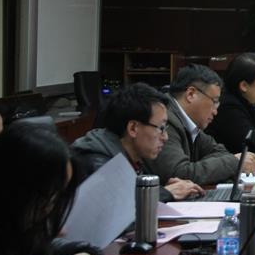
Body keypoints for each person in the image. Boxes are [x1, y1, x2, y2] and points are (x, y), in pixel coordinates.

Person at [0, 124, 102, 255]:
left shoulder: (15, 224)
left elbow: (29, 248)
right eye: (47, 195)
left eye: (57, 197)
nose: (49, 208)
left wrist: (81, 251)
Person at [71, 83, 203, 201]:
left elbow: (130, 192)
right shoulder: (97, 163)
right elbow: (118, 206)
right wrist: (165, 193)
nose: (165, 137)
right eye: (161, 128)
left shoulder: (131, 157)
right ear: (133, 128)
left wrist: (161, 189)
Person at [147, 65, 255, 188]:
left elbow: (220, 152)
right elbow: (179, 174)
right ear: (191, 94)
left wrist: (199, 167)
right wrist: (234, 162)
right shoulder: (164, 121)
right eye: (214, 101)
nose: (215, 111)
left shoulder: (191, 124)